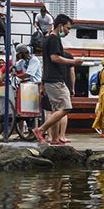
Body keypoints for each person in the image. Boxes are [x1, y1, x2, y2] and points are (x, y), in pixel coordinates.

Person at [31, 14, 83, 144]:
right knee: (65, 108)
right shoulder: (54, 39)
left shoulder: (47, 39)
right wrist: (73, 61)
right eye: (67, 28)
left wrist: (42, 83)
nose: (68, 31)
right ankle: (40, 129)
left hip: (49, 80)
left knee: (55, 111)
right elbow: (55, 58)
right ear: (60, 26)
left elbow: (46, 63)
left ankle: (54, 140)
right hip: (55, 80)